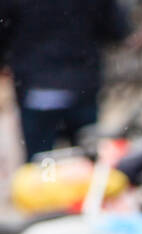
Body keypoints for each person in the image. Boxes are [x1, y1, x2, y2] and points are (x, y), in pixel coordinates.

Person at [0, 0, 131, 160]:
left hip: (36, 86)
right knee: (86, 161)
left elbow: (4, 30)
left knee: (41, 164)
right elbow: (117, 30)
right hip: (81, 84)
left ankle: (44, 180)